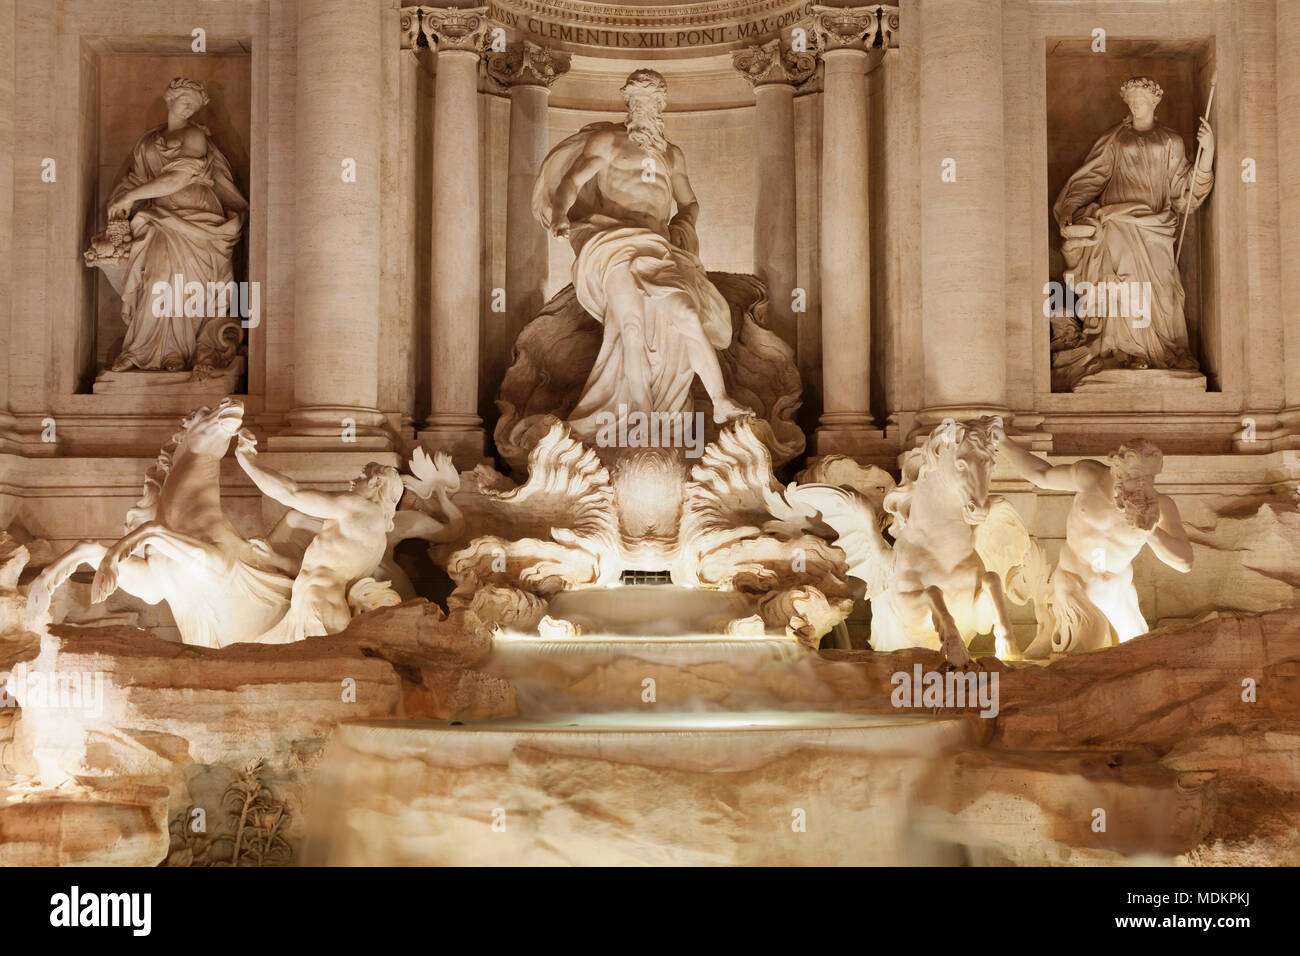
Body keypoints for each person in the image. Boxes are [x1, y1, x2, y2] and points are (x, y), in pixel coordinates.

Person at [532, 68, 750, 440]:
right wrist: (560, 216)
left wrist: (683, 229)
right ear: (627, 103)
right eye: (636, 100)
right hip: (613, 244)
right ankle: (643, 423)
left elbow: (690, 202)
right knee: (630, 330)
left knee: (686, 315)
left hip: (657, 248)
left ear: (661, 105)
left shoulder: (672, 155)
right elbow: (572, 181)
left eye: (650, 100)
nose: (642, 107)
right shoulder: (608, 141)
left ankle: (720, 400)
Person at [1052, 76, 1213, 382]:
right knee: (1121, 286)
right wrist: (1070, 210)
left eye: (1142, 100)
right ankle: (1123, 351)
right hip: (1117, 223)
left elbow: (1187, 193)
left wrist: (1208, 153)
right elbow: (1091, 178)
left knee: (1164, 290)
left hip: (1156, 227)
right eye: (1132, 101)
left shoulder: (1171, 142)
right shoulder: (1115, 140)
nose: (1136, 105)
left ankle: (1162, 354)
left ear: (1155, 101)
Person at [998, 436, 1193, 654]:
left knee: (1139, 657)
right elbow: (1041, 475)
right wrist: (1001, 441)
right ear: (1118, 470)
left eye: (1150, 478)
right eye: (1136, 476)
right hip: (1073, 585)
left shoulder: (1160, 506)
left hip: (1117, 593)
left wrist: (1150, 532)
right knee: (1084, 659)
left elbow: (1185, 563)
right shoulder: (1089, 477)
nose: (1143, 485)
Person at [106, 77, 246, 373]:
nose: (189, 109)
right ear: (170, 99)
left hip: (196, 219)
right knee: (156, 281)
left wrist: (131, 197)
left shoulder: (195, 136)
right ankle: (140, 351)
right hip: (161, 220)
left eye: (194, 106)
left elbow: (178, 178)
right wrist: (119, 202)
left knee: (186, 287)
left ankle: (177, 354)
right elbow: (136, 180)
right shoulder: (147, 142)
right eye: (185, 102)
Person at [236, 430, 403, 643]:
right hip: (310, 608)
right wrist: (274, 560)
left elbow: (291, 494)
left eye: (362, 476)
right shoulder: (374, 531)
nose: (353, 482)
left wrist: (248, 463)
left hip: (320, 610)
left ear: (376, 483)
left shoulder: (361, 509)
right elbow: (321, 570)